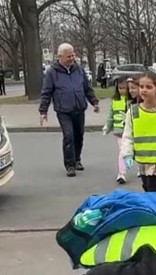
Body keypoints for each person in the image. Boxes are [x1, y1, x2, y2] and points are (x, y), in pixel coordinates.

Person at [39, 43, 100, 178]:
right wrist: (43, 111)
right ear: (60, 57)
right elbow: (46, 92)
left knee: (79, 135)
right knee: (69, 136)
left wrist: (94, 102)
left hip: (79, 108)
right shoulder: (52, 72)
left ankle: (77, 159)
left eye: (73, 55)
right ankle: (70, 165)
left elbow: (87, 88)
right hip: (63, 110)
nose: (72, 58)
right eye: (69, 56)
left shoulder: (78, 69)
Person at [104, 77, 137, 185]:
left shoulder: (131, 101)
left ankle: (140, 169)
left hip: (132, 131)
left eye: (124, 88)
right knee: (122, 152)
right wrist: (107, 127)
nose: (121, 90)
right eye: (119, 88)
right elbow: (110, 115)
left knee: (135, 150)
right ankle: (121, 173)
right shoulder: (115, 101)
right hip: (119, 131)